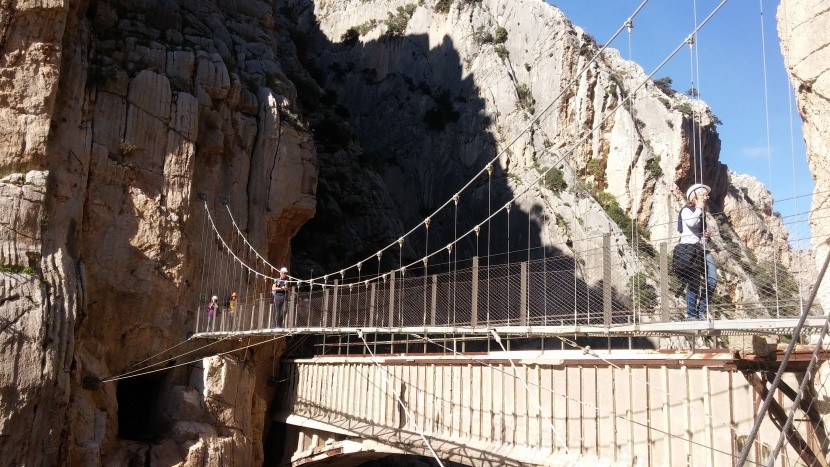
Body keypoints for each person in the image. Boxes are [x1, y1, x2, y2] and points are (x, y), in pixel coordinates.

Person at [678, 183, 716, 320]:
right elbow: (692, 223)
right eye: (703, 195)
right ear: (694, 197)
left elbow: (698, 231)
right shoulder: (686, 210)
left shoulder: (701, 213)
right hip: (690, 249)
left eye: (706, 195)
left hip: (702, 250)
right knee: (694, 282)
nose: (706, 197)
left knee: (712, 280)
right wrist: (699, 208)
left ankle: (702, 311)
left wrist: (706, 237)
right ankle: (692, 314)